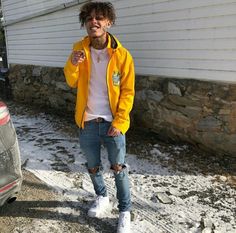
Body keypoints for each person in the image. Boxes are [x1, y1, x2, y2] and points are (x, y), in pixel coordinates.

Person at [64, 2, 135, 232]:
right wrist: (73, 65)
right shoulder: (79, 50)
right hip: (87, 122)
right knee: (93, 166)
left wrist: (120, 121)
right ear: (85, 24)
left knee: (118, 168)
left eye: (99, 18)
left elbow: (127, 92)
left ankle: (125, 211)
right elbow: (71, 81)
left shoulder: (122, 56)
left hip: (112, 124)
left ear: (108, 22)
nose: (93, 22)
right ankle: (102, 197)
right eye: (89, 19)